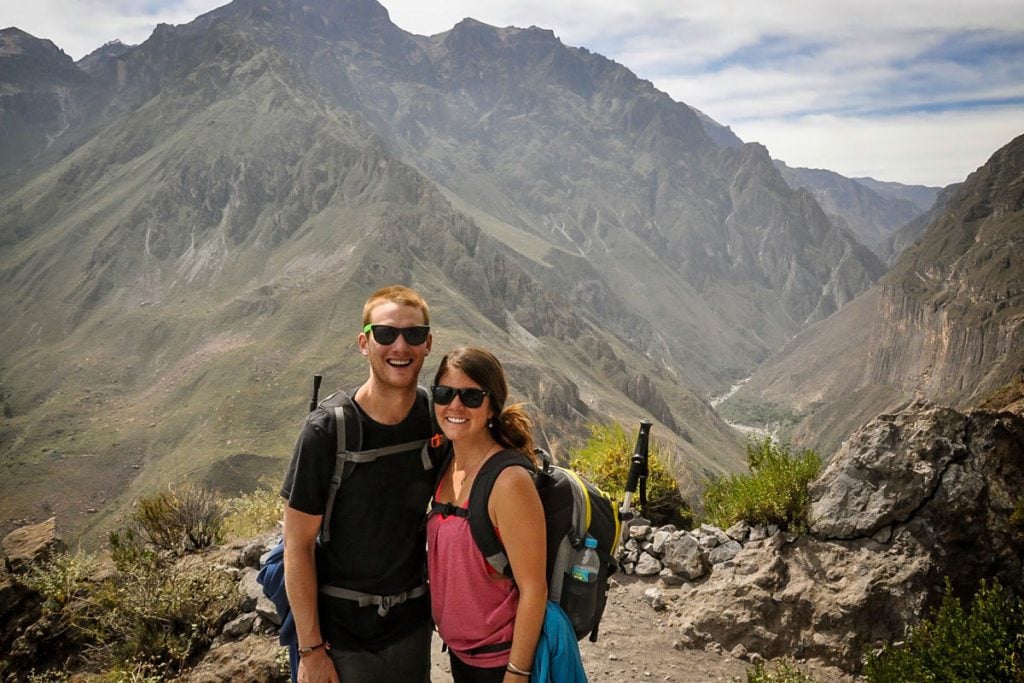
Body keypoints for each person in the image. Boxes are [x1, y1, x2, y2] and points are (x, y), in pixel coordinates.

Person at [280, 284, 437, 683]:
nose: (400, 346)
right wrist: (311, 651)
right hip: (340, 640)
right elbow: (297, 546)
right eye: (385, 334)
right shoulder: (327, 431)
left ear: (428, 343)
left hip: (412, 630)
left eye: (413, 334)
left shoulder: (436, 417)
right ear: (364, 343)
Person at [427, 347, 548, 682]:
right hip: (463, 655)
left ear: (492, 406)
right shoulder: (447, 466)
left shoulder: (509, 482)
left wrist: (517, 672)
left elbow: (534, 588)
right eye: (444, 393)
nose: (455, 405)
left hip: (500, 663)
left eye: (471, 396)